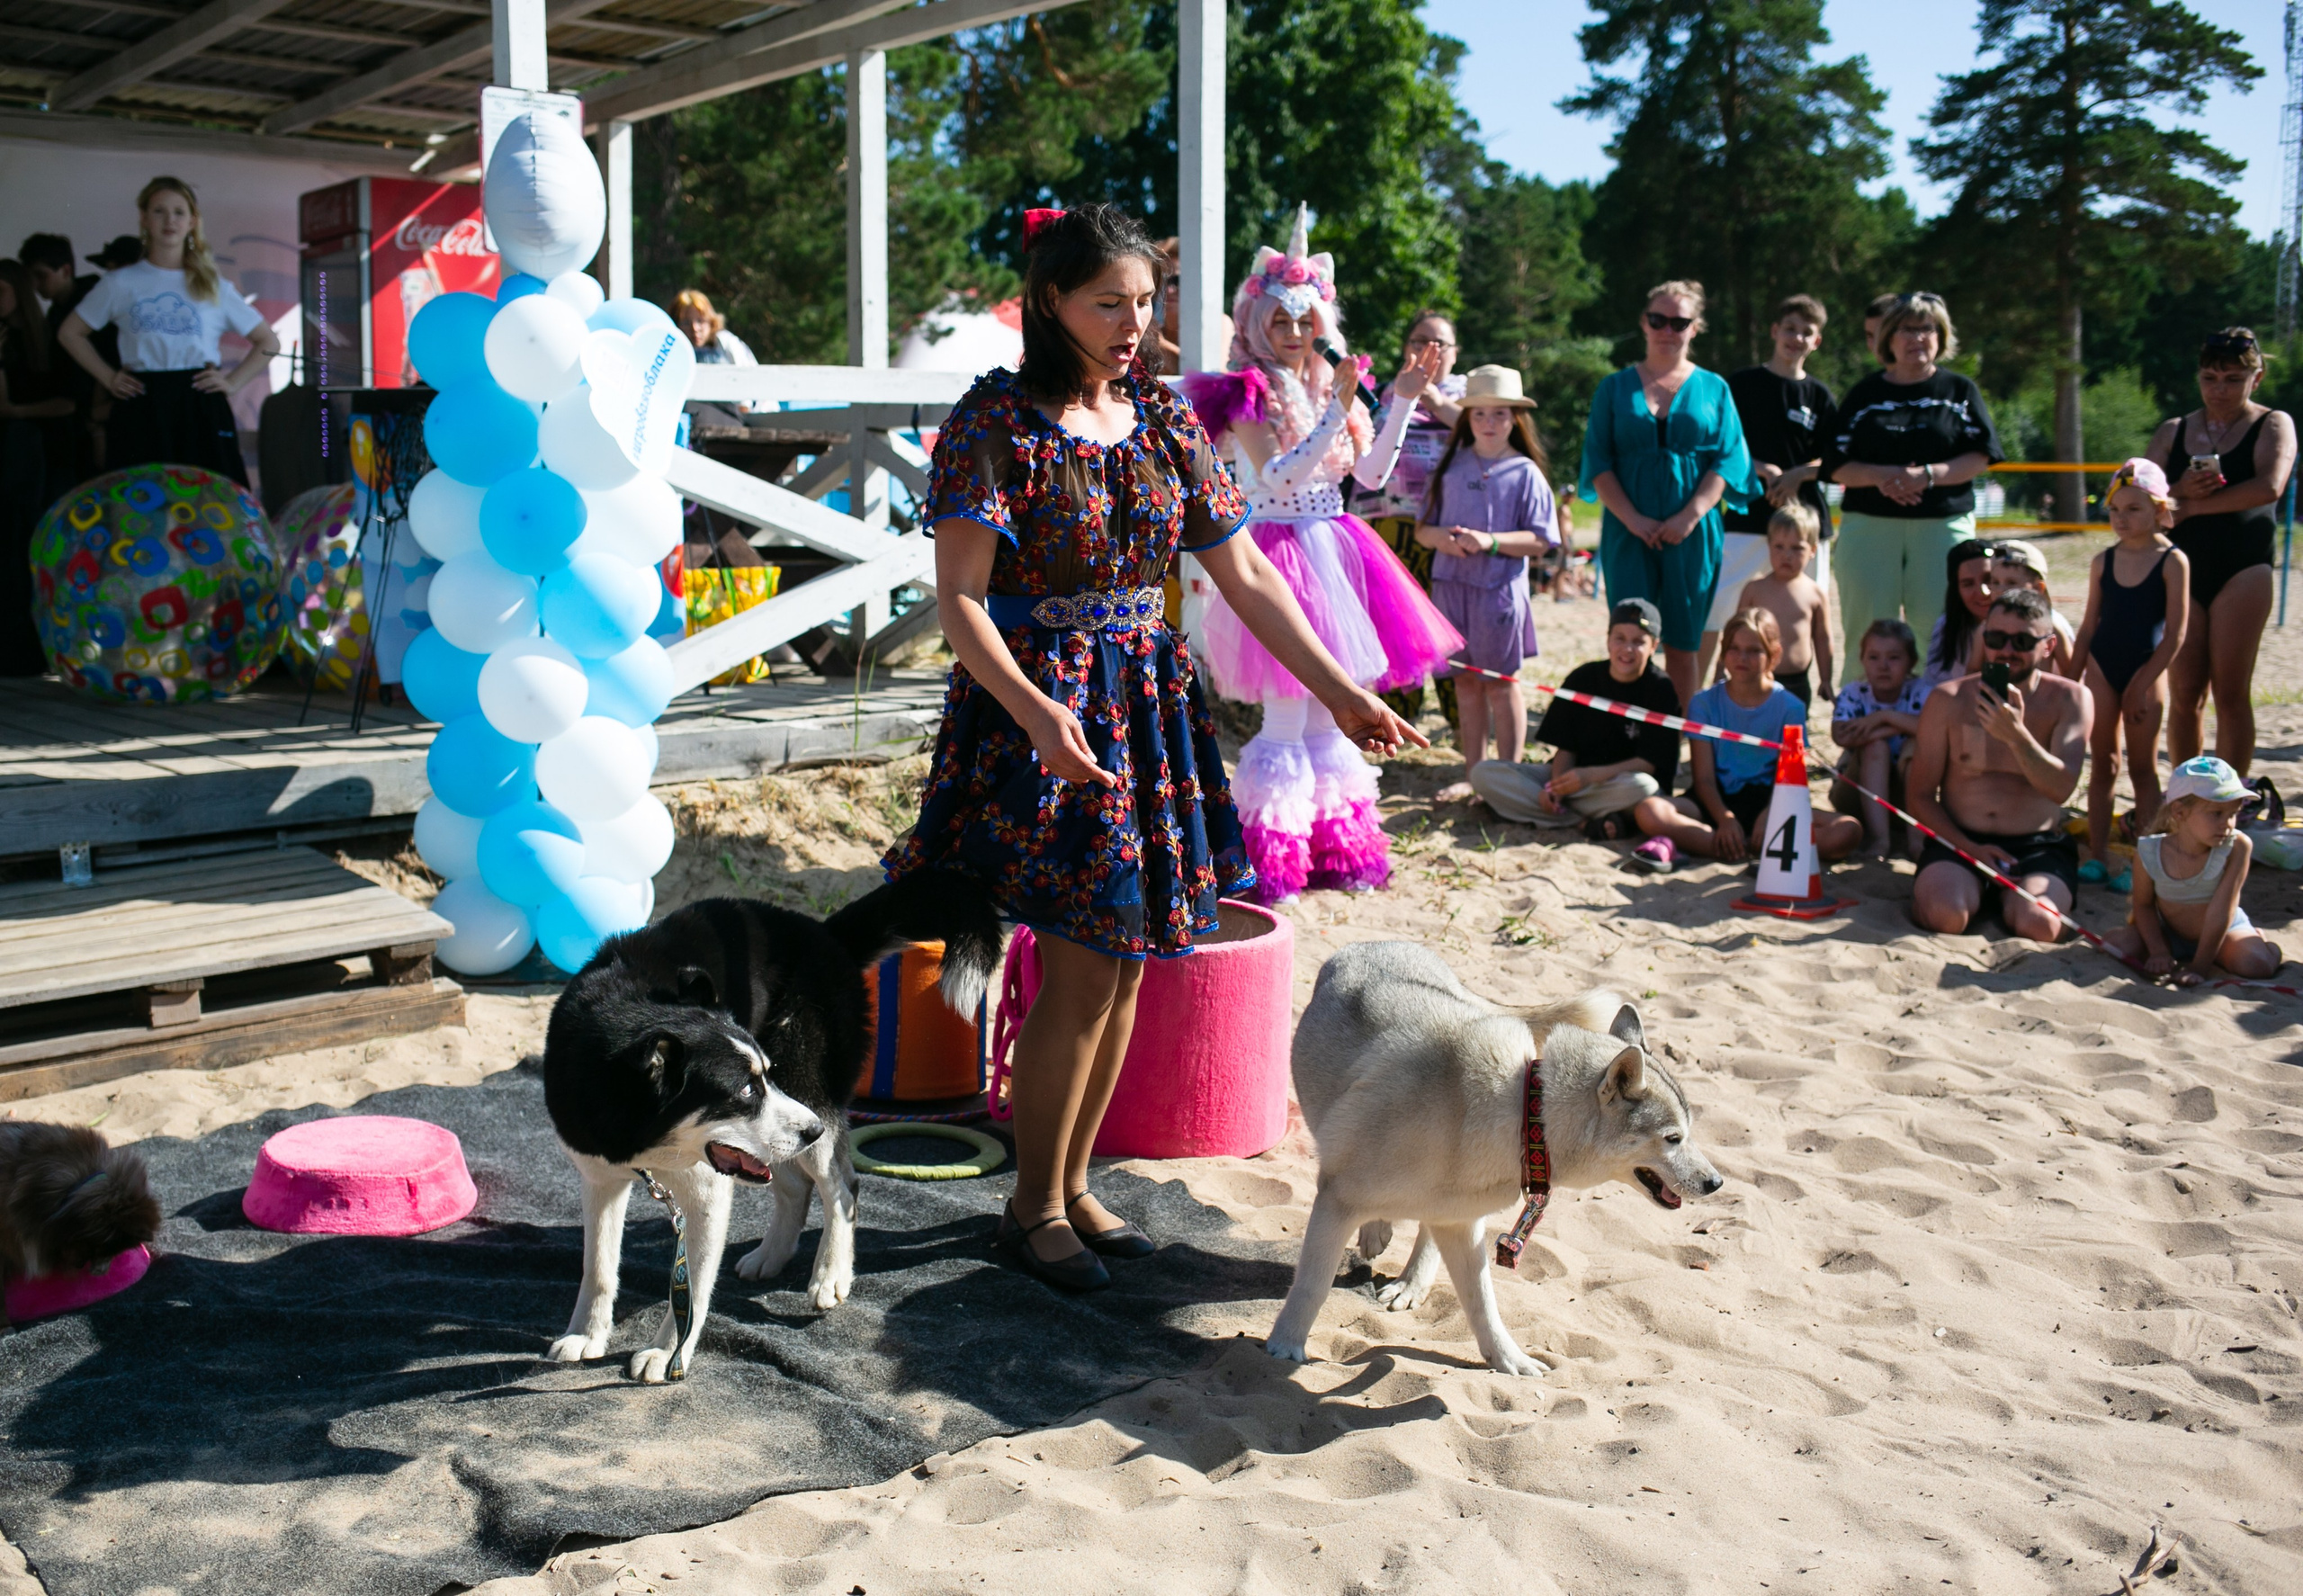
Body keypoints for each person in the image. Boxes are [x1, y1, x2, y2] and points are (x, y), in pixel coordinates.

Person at [889, 203, 1422, 1288]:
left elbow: (1249, 573)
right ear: (1049, 302)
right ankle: (1028, 1207)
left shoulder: (1164, 421)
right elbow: (959, 602)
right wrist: (1040, 713)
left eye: (1145, 301)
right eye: (1108, 303)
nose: (1135, 324)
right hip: (1041, 715)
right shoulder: (996, 422)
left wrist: (1341, 690)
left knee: (1128, 969)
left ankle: (1073, 1181)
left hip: (1147, 712)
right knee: (1081, 969)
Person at [1182, 206, 1459, 901]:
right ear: (1256, 322)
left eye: (1305, 320)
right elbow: (1277, 475)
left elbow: (1369, 478)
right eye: (1281, 320)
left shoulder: (1331, 385)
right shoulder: (1244, 391)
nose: (1295, 332)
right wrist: (1337, 410)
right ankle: (1268, 864)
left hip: (1338, 552)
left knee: (1329, 716)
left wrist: (1395, 403)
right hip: (1276, 555)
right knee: (1284, 714)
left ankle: (1339, 852)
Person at [1582, 279, 1755, 708]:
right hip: (1628, 530)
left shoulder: (1715, 388)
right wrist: (1634, 520)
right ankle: (1631, 732)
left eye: (1679, 322)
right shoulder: (1614, 388)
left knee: (1682, 641)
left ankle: (1679, 740)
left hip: (1693, 531)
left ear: (1695, 328)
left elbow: (1729, 460)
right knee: (1629, 637)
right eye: (1658, 319)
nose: (1667, 329)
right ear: (1644, 322)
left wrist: (1690, 516)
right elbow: (1598, 462)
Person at [56, 177, 279, 485]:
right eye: (159, 211)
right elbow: (70, 333)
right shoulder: (120, 282)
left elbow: (268, 341)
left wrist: (231, 382)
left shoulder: (213, 285)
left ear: (192, 222)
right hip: (141, 399)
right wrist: (108, 377)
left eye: (178, 212)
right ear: (144, 220)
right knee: (141, 502)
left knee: (209, 500)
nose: (169, 220)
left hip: (198, 399)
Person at [2150, 327, 2296, 777]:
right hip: (2184, 568)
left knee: (2231, 693)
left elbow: (2269, 486)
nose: (2220, 389)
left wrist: (2191, 505)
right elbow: (2144, 501)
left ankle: (2228, 799)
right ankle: (2186, 792)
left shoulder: (2272, 423)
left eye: (2233, 379)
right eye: (2211, 377)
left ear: (2257, 378)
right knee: (2186, 693)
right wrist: (2175, 491)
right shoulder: (2174, 430)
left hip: (2243, 567)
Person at [1906, 588, 2090, 941]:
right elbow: (1920, 796)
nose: (2006, 651)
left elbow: (2062, 788)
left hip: (2036, 846)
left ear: (2048, 646)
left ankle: (2006, 901)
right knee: (1945, 916)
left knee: (2040, 926)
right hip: (1960, 842)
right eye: (1996, 638)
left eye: (2021, 641)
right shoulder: (1948, 699)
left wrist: (2017, 736)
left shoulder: (2070, 699)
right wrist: (1969, 849)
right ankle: (1967, 891)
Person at [1824, 292, 2003, 650]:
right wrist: (1883, 476)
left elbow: (1983, 455)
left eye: (1927, 329)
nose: (1917, 338)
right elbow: (1836, 464)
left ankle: (1939, 703)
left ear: (1941, 336)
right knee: (1869, 630)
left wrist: (1927, 475)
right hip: (1871, 525)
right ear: (1888, 337)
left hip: (1941, 525)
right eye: (1907, 330)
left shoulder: (1959, 390)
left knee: (1941, 627)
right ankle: (1864, 703)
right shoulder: (1864, 393)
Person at [1624, 608, 1860, 873]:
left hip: (1771, 801)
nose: (1742, 657)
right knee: (1649, 810)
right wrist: (1724, 820)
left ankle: (1744, 846)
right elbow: (1703, 779)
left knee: (1847, 831)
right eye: (1734, 648)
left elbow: (1793, 778)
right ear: (1723, 653)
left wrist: (1770, 813)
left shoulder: (1790, 707)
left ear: (1774, 656)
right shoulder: (1703, 703)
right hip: (1715, 800)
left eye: (1753, 650)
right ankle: (1730, 845)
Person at [1416, 364, 1555, 799]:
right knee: (1466, 684)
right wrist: (1447, 540)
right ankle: (1474, 775)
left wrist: (1490, 542)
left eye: (1499, 414)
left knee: (1501, 683)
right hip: (1451, 588)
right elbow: (1423, 529)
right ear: (1466, 419)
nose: (1489, 423)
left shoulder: (1525, 472)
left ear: (1516, 418)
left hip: (1499, 594)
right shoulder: (1451, 467)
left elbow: (1541, 539)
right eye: (1479, 415)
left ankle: (1509, 777)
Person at [2071, 459, 2191, 889]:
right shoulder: (2104, 560)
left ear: (2160, 509)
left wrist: (2143, 682)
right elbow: (2088, 627)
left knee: (2143, 769)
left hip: (2146, 668)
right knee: (2103, 764)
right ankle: (2098, 853)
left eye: (2134, 509)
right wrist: (2072, 676)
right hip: (2103, 667)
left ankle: (2145, 861)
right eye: (2115, 509)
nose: (2122, 518)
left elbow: (2175, 634)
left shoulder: (2173, 561)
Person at [1469, 597, 1680, 833]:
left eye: (1638, 642)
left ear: (1654, 646)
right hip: (1573, 780)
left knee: (1644, 787)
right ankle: (1584, 821)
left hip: (1616, 784)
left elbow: (1649, 763)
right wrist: (1556, 788)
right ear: (1608, 639)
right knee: (1483, 773)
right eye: (1620, 638)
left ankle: (1566, 816)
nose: (1627, 649)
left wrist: (1590, 776)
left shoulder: (1661, 688)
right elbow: (1565, 747)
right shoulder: (1583, 677)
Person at [1709, 294, 1835, 682]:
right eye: (1790, 328)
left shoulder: (1819, 396)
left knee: (1804, 614)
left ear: (1816, 342)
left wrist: (1799, 474)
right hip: (1749, 516)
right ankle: (1703, 699)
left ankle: (1796, 695)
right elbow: (1717, 442)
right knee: (1721, 612)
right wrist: (1759, 469)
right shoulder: (1743, 385)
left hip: (1805, 523)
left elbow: (1838, 459)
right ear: (1775, 331)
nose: (1796, 338)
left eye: (1806, 332)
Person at [1356, 309, 1467, 730]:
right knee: (1396, 623)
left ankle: (1462, 722)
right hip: (1386, 526)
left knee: (1449, 620)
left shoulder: (1472, 398)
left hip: (1447, 528)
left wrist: (1435, 400)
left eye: (1440, 343)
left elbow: (1488, 436)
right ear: (1406, 349)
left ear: (1456, 353)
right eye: (1420, 341)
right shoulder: (1381, 394)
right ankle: (1400, 719)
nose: (1429, 351)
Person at [2107, 756, 2281, 985]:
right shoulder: (2150, 850)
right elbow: (2143, 905)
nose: (2227, 824)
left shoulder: (2237, 846)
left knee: (2256, 965)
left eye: (2232, 813)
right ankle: (2178, 952)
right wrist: (2159, 951)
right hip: (2170, 933)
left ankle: (2261, 942)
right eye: (2216, 813)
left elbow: (2222, 911)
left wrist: (2200, 966)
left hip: (2223, 930)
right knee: (2115, 945)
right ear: (2179, 812)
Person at [1, 259, 76, 676]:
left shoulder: (45, 339)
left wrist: (17, 411)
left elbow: (66, 401)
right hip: (18, 448)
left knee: (29, 545)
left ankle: (32, 650)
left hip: (38, 455)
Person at [1830, 618, 1926, 856]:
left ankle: (1917, 839)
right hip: (1855, 795)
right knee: (1875, 747)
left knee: (1917, 747)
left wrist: (1885, 717)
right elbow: (1841, 735)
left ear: (1911, 661)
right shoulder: (1855, 692)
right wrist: (1893, 726)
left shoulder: (1922, 691)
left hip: (1909, 798)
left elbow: (1935, 731)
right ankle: (1880, 840)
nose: (1883, 666)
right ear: (1862, 660)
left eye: (1894, 658)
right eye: (1873, 657)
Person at [19, 234, 100, 489]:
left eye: (41, 275)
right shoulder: (56, 312)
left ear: (65, 271)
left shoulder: (94, 304)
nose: (35, 285)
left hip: (94, 420)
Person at [1732, 502, 1832, 707]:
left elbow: (1822, 638)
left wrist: (1826, 678)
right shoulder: (1754, 589)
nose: (1787, 555)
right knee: (1757, 730)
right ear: (1769, 545)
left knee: (1791, 734)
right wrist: (1721, 669)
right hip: (1756, 678)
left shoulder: (1815, 593)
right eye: (1779, 547)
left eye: (1797, 548)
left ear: (1812, 550)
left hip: (1797, 681)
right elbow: (1735, 634)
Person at [1987, 539, 2075, 676]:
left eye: (2011, 582)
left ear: (2037, 588)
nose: (2000, 590)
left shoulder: (2052, 627)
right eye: (1995, 582)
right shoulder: (1987, 628)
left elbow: (2071, 674)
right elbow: (1973, 670)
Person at [1920, 538, 1995, 695]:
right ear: (1956, 591)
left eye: (1989, 579)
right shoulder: (1946, 627)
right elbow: (1932, 689)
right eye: (1968, 584)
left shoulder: (2034, 623)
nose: (1983, 592)